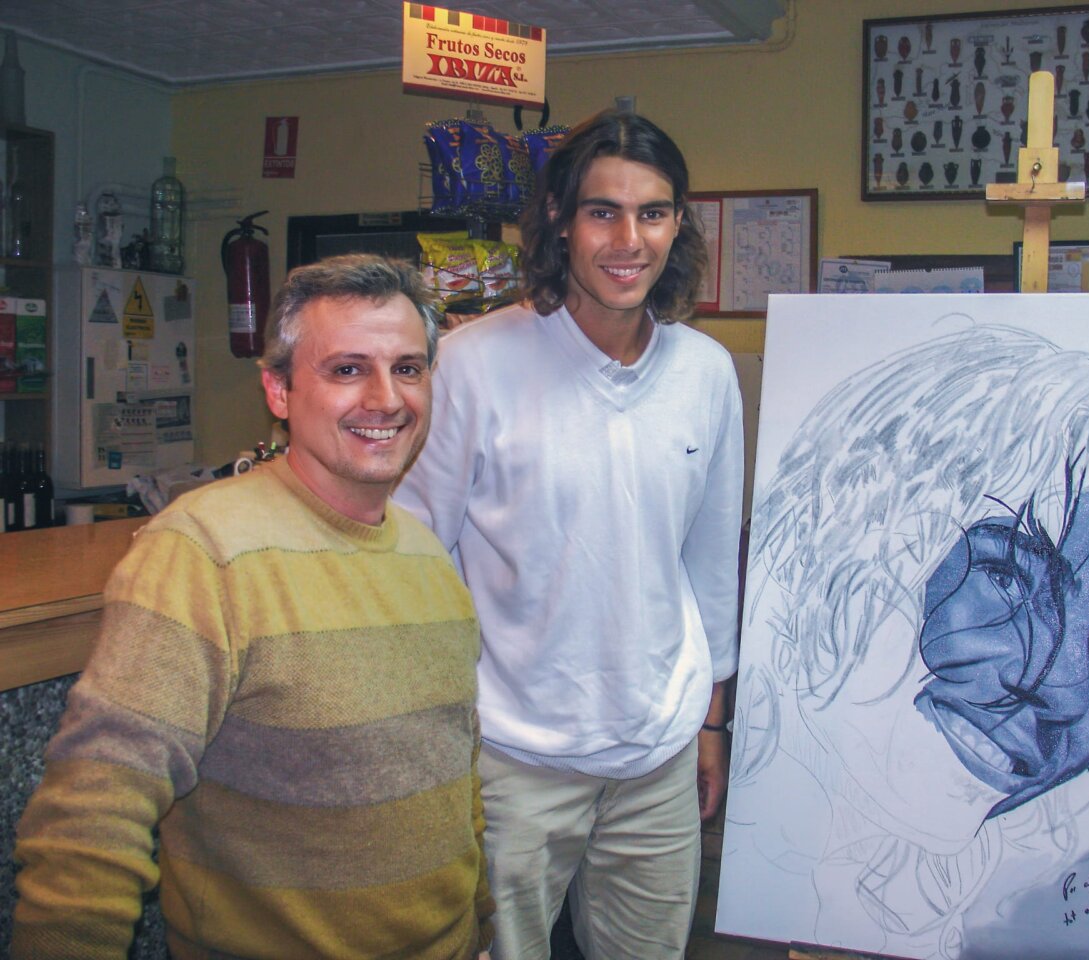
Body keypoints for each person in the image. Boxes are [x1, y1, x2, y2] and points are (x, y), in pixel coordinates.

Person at [12, 254, 495, 960]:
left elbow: (458, 783)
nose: (386, 398)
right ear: (277, 389)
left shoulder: (427, 556)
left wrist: (480, 925)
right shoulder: (202, 552)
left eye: (409, 368)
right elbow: (94, 811)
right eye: (347, 369)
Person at [724, 325, 1089, 958]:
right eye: (1007, 577)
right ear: (843, 533)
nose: (1060, 688)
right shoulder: (774, 855)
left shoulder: (992, 904)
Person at [394, 109, 744, 960]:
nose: (630, 239)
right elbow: (414, 551)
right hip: (512, 758)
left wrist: (709, 721)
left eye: (653, 213)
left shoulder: (706, 371)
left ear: (677, 226)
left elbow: (710, 561)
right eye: (603, 212)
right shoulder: (475, 362)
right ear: (559, 221)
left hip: (657, 756)